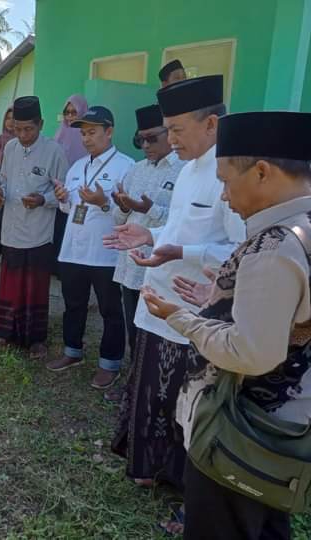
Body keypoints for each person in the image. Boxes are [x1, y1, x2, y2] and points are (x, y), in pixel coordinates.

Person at [142, 111, 311, 540]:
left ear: (261, 172)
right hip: (284, 430)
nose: (222, 196)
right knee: (265, 525)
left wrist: (182, 318)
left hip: (243, 431)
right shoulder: (301, 229)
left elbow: (251, 353)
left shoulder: (275, 246)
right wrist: (222, 301)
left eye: (225, 179)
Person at [103, 75, 245, 499]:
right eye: (168, 129)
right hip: (160, 300)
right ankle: (151, 468)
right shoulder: (187, 171)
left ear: (211, 125)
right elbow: (178, 227)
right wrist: (151, 236)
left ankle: (184, 487)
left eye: (177, 129)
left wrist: (183, 251)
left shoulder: (230, 174)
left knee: (187, 403)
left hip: (196, 310)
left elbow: (242, 252)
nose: (170, 138)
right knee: (152, 391)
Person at [46, 106, 133, 390]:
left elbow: (129, 214)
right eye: (83, 133)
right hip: (73, 249)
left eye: (92, 132)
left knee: (110, 310)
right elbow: (69, 206)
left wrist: (103, 203)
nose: (86, 138)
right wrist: (62, 197)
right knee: (73, 304)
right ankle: (73, 351)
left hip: (106, 251)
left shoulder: (126, 167)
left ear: (109, 132)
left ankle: (109, 364)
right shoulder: (78, 166)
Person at [104, 104, 184, 402]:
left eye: (152, 138)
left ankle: (153, 390)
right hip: (130, 265)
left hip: (160, 267)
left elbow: (181, 223)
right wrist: (124, 207)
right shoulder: (135, 170)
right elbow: (118, 219)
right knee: (134, 330)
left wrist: (148, 209)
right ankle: (133, 385)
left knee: (158, 334)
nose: (147, 146)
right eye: (141, 140)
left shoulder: (184, 170)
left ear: (168, 133)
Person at [0, 95, 70, 359]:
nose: (23, 135)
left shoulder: (54, 151)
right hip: (11, 229)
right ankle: (5, 332)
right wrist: (0, 194)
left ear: (41, 124)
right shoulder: (10, 148)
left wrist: (43, 199)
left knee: (35, 286)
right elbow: (3, 180)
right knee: (10, 284)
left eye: (29, 129)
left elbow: (63, 192)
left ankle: (36, 339)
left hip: (38, 232)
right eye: (17, 129)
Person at [53, 94, 90, 272]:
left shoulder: (86, 137)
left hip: (83, 194)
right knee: (61, 231)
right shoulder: (60, 134)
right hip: (61, 194)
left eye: (74, 112)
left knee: (79, 230)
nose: (70, 117)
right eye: (67, 112)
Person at [0, 106, 15, 257]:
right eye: (8, 118)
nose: (10, 122)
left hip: (14, 188)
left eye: (14, 118)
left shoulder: (20, 143)